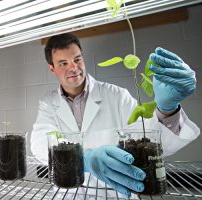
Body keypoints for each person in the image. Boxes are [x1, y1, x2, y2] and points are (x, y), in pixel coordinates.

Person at [30, 33, 200, 197]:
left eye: (77, 59)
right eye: (63, 63)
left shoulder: (117, 95)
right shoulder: (48, 103)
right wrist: (84, 159)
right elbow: (39, 144)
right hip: (68, 194)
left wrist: (167, 109)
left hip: (116, 194)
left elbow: (148, 140)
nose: (73, 68)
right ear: (52, 69)